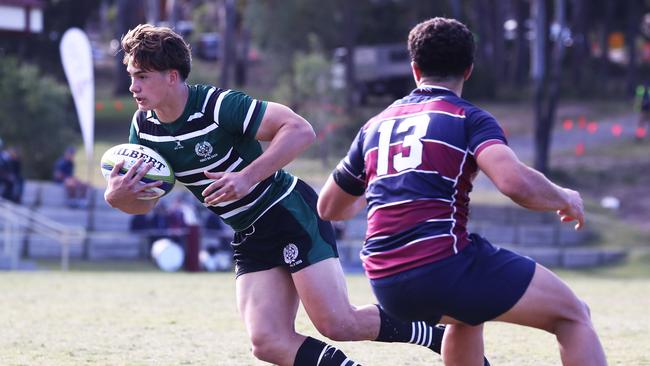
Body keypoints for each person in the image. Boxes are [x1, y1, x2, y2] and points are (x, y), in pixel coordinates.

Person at [104, 24, 465, 366]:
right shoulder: (144, 128)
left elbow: (299, 130)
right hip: (249, 231)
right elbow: (146, 201)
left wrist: (247, 177)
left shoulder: (217, 105)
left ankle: (434, 334)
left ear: (171, 76)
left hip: (288, 211)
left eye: (142, 76)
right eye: (132, 75)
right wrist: (117, 197)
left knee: (338, 323)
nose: (132, 86)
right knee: (267, 341)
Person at [318, 17, 607, 366]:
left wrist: (382, 188)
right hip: (442, 266)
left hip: (385, 280)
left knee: (467, 314)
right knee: (574, 314)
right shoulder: (466, 117)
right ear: (468, 70)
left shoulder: (374, 126)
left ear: (414, 69)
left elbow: (329, 206)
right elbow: (513, 182)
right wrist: (565, 197)